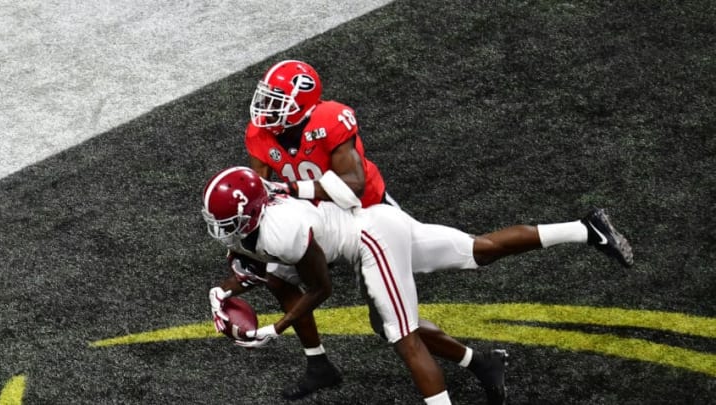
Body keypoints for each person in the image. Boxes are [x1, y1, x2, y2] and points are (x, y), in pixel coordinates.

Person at [202, 166, 634, 405]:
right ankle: (586, 229)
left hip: (372, 241)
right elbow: (257, 269)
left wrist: (273, 330)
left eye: (226, 222)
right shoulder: (264, 221)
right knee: (477, 250)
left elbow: (320, 289)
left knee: (402, 336)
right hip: (377, 223)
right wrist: (223, 293)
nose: (221, 230)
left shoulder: (281, 231)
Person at [239, 59, 510, 403]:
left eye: (278, 100)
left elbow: (351, 188)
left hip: (366, 218)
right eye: (267, 97)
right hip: (321, 219)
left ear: (303, 103)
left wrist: (294, 194)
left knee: (389, 326)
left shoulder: (329, 121)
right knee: (279, 277)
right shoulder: (260, 133)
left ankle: (480, 362)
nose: (267, 107)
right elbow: (261, 190)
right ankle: (318, 363)